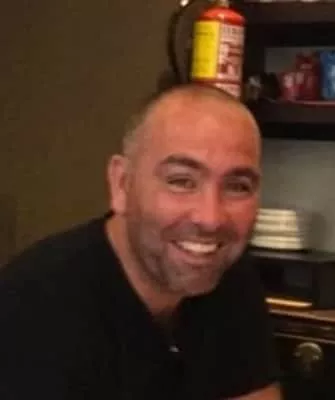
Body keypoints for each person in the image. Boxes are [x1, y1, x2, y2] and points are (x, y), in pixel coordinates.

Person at [0, 84, 282, 399]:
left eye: (238, 186)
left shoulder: (229, 276)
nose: (211, 218)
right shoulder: (31, 311)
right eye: (181, 181)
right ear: (122, 185)